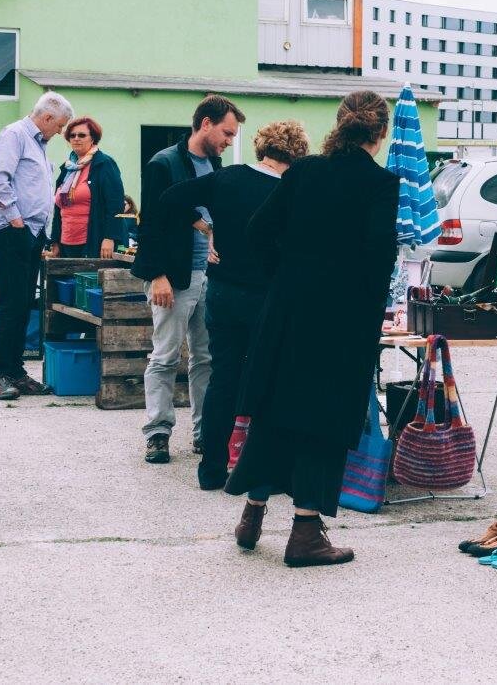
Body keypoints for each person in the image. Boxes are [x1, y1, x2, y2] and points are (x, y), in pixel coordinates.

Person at [226, 91, 397, 568]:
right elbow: (380, 261)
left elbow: (258, 231)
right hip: (342, 320)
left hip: (287, 310)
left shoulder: (303, 171)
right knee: (322, 420)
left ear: (339, 123)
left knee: (277, 409)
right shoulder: (381, 185)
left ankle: (252, 513)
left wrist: (285, 276)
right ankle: (305, 533)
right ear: (380, 134)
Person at [161, 120, 310, 489]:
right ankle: (260, 469)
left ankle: (211, 469)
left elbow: (169, 199)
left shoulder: (225, 178)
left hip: (223, 294)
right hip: (269, 299)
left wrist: (208, 228)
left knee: (223, 379)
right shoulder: (293, 190)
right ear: (298, 153)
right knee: (269, 381)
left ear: (262, 146)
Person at [131, 94, 244, 464]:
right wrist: (157, 275)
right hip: (174, 275)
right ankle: (158, 433)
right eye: (227, 132)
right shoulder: (164, 163)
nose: (230, 140)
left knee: (206, 358)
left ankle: (204, 433)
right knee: (164, 356)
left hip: (211, 274)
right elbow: (151, 221)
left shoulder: (215, 162)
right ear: (206, 124)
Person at [0, 92, 73, 400]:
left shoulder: (37, 144)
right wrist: (17, 220)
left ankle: (15, 371)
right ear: (47, 117)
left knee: (23, 304)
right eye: (60, 126)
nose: (60, 132)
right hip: (11, 230)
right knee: (11, 303)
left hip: (31, 232)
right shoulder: (15, 134)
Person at [47, 116, 125, 259]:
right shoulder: (67, 168)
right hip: (66, 242)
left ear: (93, 139)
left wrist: (110, 237)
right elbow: (59, 208)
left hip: (92, 242)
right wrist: (55, 241)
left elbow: (116, 205)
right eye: (72, 135)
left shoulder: (104, 164)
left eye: (82, 135)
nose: (76, 138)